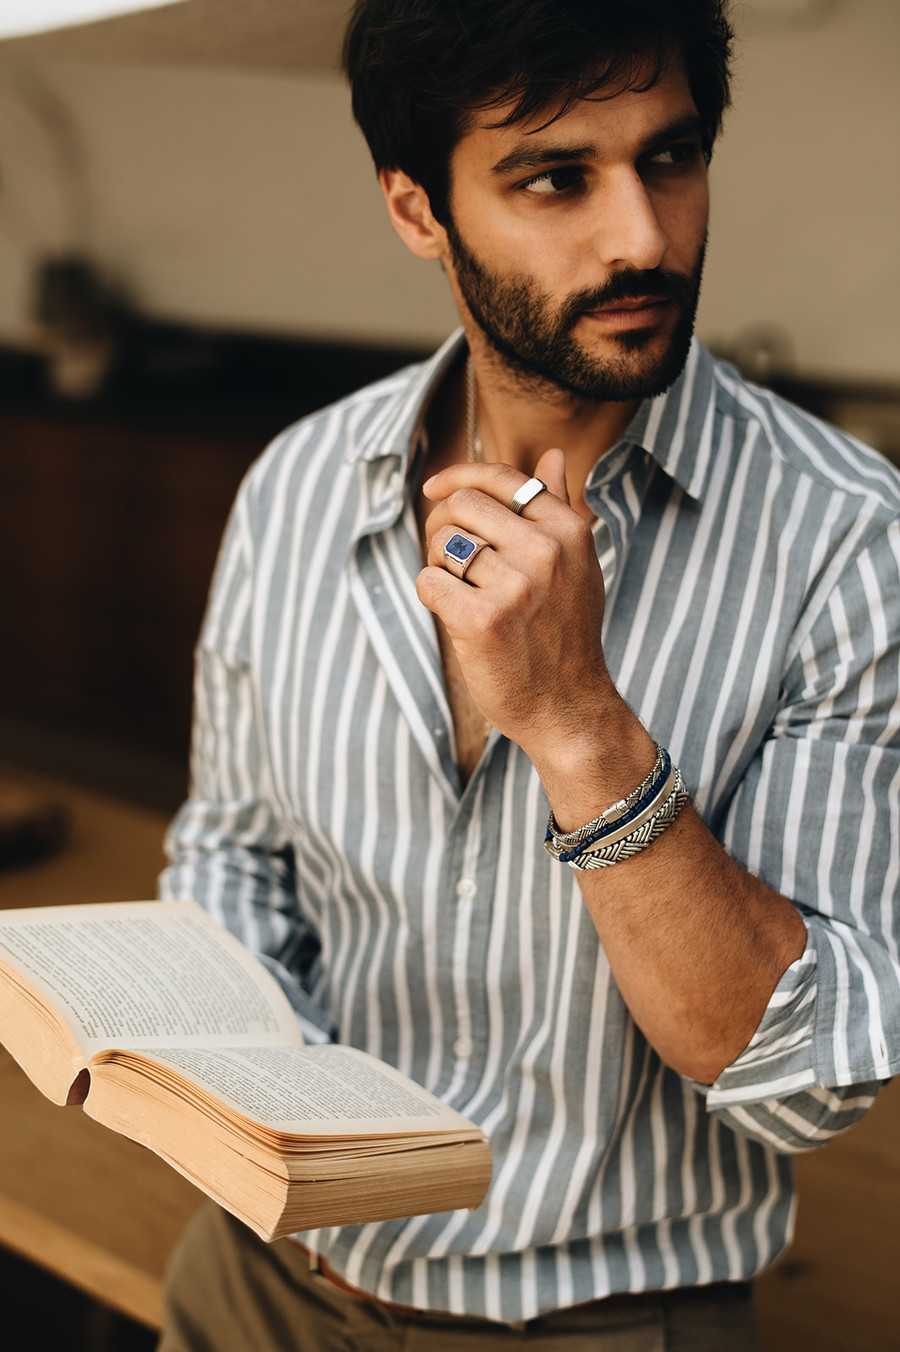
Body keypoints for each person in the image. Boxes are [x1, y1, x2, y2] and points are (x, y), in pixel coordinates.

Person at [157, 1, 900, 1348]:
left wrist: (578, 721)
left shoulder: (848, 541)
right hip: (257, 1285)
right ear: (417, 208)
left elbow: (804, 1080)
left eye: (669, 158)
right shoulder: (297, 483)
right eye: (556, 177)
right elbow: (233, 851)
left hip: (596, 1323)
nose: (642, 237)